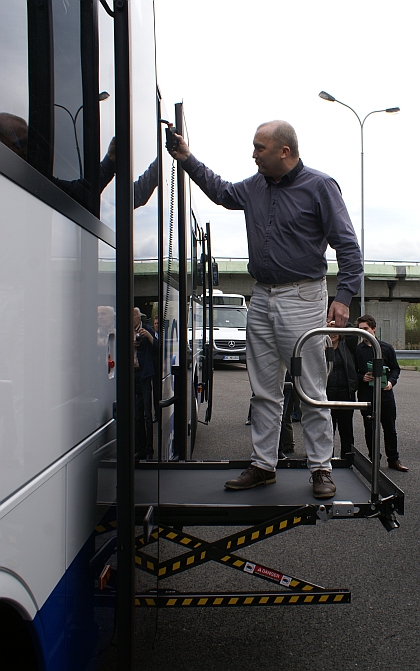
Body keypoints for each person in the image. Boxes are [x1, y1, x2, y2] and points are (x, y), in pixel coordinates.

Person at [168, 119, 363, 498]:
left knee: (311, 389)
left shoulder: (320, 186)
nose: (253, 154)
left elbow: (348, 248)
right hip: (262, 296)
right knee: (263, 389)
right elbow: (222, 191)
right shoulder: (254, 187)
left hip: (303, 297)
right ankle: (262, 465)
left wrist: (343, 298)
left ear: (283, 152)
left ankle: (321, 468)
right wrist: (187, 158)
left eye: (259, 147)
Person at [0, 112, 158, 209]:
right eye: (23, 143)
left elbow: (78, 194)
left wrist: (110, 161)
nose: (29, 151)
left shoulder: (34, 181)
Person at [355, 314, 408, 472]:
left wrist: (391, 382)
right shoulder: (358, 350)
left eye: (365, 329)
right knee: (370, 428)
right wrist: (361, 377)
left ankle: (393, 459)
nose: (363, 332)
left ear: (373, 328)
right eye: (360, 330)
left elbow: (395, 368)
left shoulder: (386, 348)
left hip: (385, 395)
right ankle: (374, 459)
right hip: (366, 395)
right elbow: (353, 372)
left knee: (390, 428)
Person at [326, 324, 358, 458]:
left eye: (336, 331)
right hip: (327, 393)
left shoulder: (347, 346)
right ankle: (326, 458)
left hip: (345, 393)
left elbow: (353, 332)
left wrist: (338, 322)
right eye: (329, 331)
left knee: (346, 429)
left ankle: (347, 458)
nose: (333, 334)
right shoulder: (321, 347)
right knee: (327, 429)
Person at [134, 308, 158, 460]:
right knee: (137, 415)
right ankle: (139, 449)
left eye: (135, 315)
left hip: (145, 375)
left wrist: (148, 336)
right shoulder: (126, 329)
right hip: (133, 374)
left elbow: (158, 346)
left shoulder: (147, 329)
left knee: (147, 415)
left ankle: (150, 449)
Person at [152, 315, 160, 422]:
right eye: (155, 323)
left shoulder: (164, 336)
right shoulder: (152, 335)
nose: (156, 325)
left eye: (158, 323)